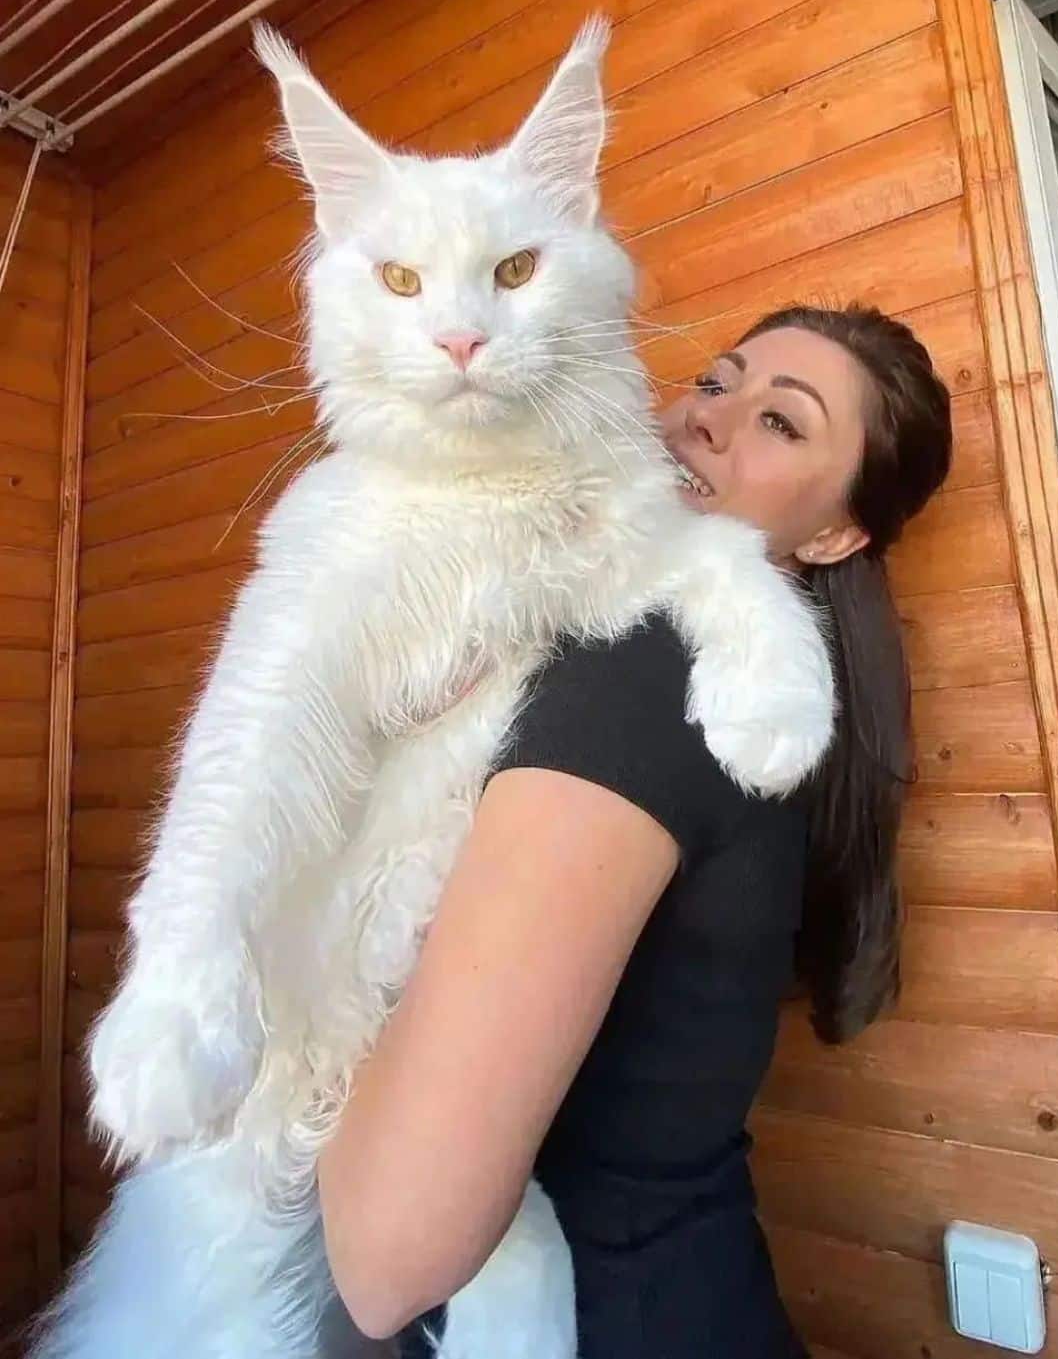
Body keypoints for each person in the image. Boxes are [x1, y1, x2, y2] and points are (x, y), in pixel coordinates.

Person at [316, 303, 954, 1357]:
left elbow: (389, 1255)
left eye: (782, 423)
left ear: (838, 535)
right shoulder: (710, 688)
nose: (707, 419)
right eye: (715, 380)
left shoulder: (651, 673)